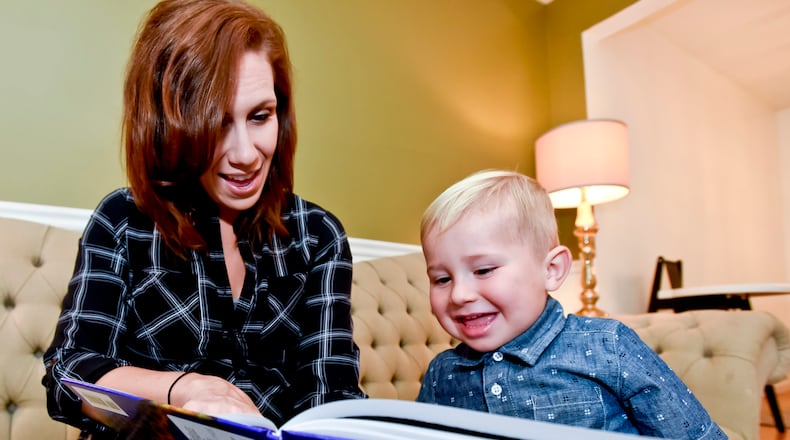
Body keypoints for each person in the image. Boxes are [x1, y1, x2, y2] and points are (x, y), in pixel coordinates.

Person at [42, 0, 365, 436]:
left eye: (260, 116)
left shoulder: (318, 237)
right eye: (215, 124)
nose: (247, 155)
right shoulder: (123, 221)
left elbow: (332, 395)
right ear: (169, 124)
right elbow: (69, 376)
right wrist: (186, 389)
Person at [415, 169, 726, 438]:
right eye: (442, 279)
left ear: (551, 270)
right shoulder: (442, 373)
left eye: (483, 270)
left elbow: (692, 433)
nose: (459, 295)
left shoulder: (607, 345)